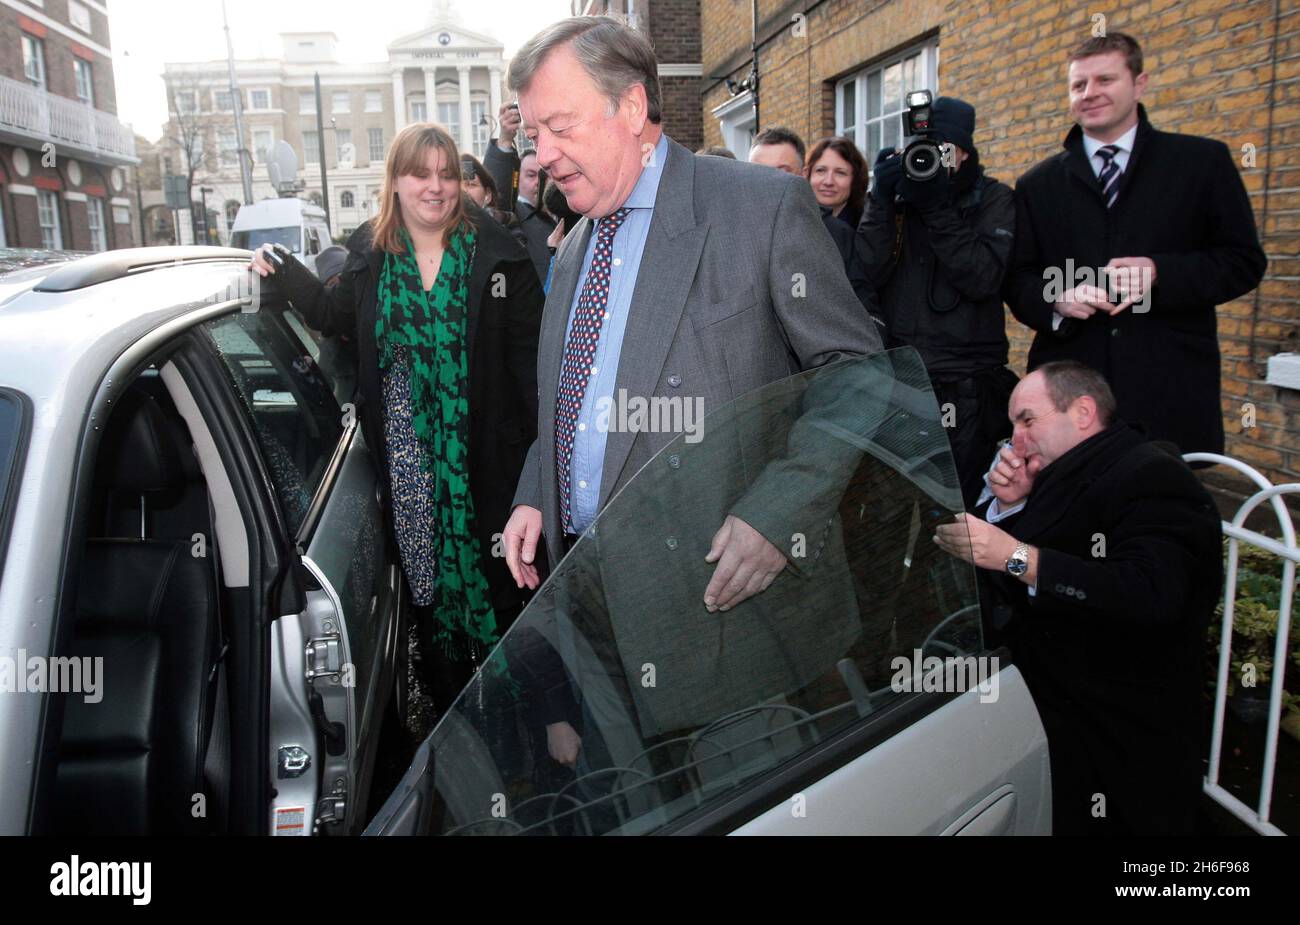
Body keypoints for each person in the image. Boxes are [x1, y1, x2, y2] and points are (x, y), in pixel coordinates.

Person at [500, 16, 881, 758]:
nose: (541, 155)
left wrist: (778, 514)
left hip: (730, 631)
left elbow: (856, 373)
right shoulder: (575, 250)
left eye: (557, 126)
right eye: (531, 135)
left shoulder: (761, 208)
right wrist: (536, 490)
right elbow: (578, 401)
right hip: (599, 621)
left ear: (633, 109)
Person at [249, 123, 544, 717]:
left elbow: (532, 371)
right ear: (396, 181)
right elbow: (332, 315)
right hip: (408, 463)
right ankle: (451, 715)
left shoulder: (499, 255)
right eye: (419, 174)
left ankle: (524, 714)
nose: (434, 187)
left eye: (445, 174)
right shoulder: (372, 253)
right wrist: (279, 270)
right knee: (426, 589)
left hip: (487, 458)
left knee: (503, 584)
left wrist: (537, 476)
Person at [934, 361, 1221, 834]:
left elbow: (1151, 594)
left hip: (1124, 738)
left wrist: (1014, 555)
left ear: (1083, 411)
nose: (1015, 440)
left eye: (1027, 420)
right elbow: (1027, 586)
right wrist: (1009, 507)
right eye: (1012, 426)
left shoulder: (1154, 476)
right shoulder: (1071, 473)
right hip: (1060, 719)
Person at [1004, 32, 1266, 457]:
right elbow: (1019, 279)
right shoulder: (1038, 183)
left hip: (1168, 383)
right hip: (1071, 391)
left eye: (1105, 80)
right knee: (1068, 512)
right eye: (1078, 85)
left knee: (1160, 513)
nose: (1090, 93)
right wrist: (1057, 297)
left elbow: (1243, 262)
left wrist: (1162, 273)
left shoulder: (1201, 163)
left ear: (1138, 84)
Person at [856, 97, 1018, 507]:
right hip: (901, 379)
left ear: (965, 152)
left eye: (945, 149)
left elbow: (983, 277)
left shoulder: (993, 198)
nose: (931, 159)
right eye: (922, 148)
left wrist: (936, 208)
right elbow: (865, 273)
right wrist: (880, 198)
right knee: (888, 508)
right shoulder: (897, 201)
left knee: (954, 508)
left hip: (967, 386)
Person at [751, 126, 876, 319]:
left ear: (802, 174)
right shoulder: (725, 233)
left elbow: (861, 309)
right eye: (757, 171)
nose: (767, 181)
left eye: (781, 172)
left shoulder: (836, 234)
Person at [806, 136, 868, 237]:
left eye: (840, 173)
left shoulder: (867, 228)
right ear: (807, 175)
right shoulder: (792, 221)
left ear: (855, 180)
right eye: (821, 170)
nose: (829, 181)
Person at [515, 149, 559, 286]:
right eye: (530, 175)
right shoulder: (514, 216)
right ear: (516, 179)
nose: (538, 182)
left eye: (544, 176)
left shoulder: (560, 216)